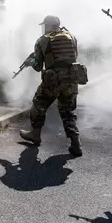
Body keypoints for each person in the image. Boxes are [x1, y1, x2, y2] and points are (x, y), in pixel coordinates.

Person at [19, 15, 84, 157]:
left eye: (44, 25)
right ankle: (75, 143)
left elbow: (38, 66)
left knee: (39, 103)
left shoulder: (42, 40)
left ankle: (35, 134)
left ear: (48, 25)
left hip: (53, 80)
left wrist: (31, 62)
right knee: (67, 111)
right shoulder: (71, 36)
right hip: (72, 80)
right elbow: (74, 56)